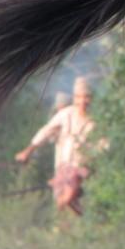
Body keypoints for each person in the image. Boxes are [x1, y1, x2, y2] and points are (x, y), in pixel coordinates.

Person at [15, 77, 98, 215]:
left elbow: (102, 145)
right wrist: (27, 151)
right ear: (75, 98)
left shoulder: (95, 120)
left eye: (86, 97)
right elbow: (46, 132)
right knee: (65, 201)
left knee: (69, 195)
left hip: (82, 167)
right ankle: (73, 218)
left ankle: (75, 213)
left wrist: (93, 156)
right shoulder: (66, 114)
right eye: (79, 97)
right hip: (63, 166)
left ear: (91, 99)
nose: (82, 101)